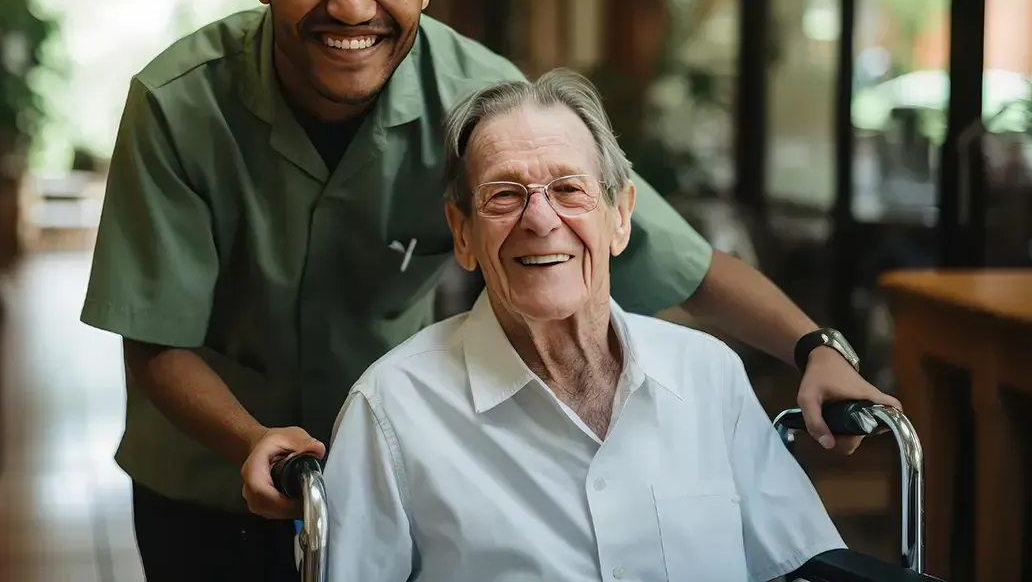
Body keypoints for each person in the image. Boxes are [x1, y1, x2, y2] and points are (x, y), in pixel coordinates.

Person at [79, 0, 897, 581]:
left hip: (398, 467)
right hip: (208, 474)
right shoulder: (178, 104)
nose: (354, 6)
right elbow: (155, 338)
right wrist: (247, 440)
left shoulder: (480, 102)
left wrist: (814, 347)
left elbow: (665, 254)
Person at [322, 69, 847, 581]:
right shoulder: (392, 407)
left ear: (620, 217)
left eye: (569, 189)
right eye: (504, 194)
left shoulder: (706, 373)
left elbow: (802, 563)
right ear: (463, 235)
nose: (540, 219)